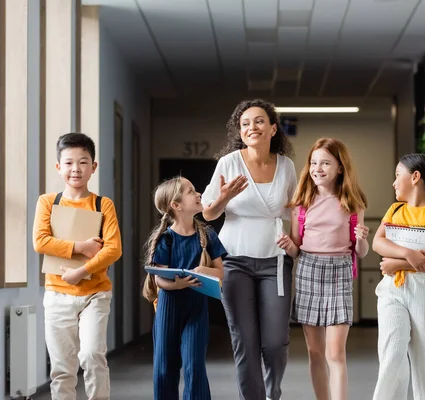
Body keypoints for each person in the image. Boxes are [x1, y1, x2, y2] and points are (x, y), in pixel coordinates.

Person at [201, 99, 297, 400]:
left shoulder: (287, 166)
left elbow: (296, 211)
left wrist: (293, 243)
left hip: (276, 262)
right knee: (245, 341)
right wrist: (224, 197)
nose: (251, 127)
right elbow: (208, 213)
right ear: (239, 132)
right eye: (245, 124)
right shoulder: (228, 163)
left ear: (272, 128)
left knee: (276, 341)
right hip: (235, 261)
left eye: (258, 121)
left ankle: (272, 392)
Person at [276, 138, 369, 400]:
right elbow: (296, 249)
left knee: (335, 353)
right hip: (308, 271)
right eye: (314, 162)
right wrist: (287, 245)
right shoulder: (301, 203)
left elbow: (360, 252)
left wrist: (362, 239)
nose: (318, 168)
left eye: (326, 163)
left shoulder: (353, 203)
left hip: (339, 273)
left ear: (340, 168)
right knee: (314, 352)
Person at [33, 132, 122, 400]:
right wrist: (80, 248)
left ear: (93, 167)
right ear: (59, 167)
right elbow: (40, 241)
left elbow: (113, 249)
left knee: (93, 355)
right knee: (61, 368)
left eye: (83, 162)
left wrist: (80, 272)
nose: (76, 169)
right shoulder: (48, 202)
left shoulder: (102, 204)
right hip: (57, 294)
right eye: (69, 162)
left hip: (95, 293)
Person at [371, 154, 425, 400]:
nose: (394, 182)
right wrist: (408, 254)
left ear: (415, 177)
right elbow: (377, 242)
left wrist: (396, 263)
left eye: (398, 175)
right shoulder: (395, 210)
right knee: (392, 353)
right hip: (392, 291)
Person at [141, 176, 226, 400]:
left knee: (194, 366)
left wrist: (203, 270)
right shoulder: (165, 240)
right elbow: (159, 279)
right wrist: (177, 284)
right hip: (169, 307)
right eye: (191, 191)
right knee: (164, 368)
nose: (198, 194)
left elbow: (221, 273)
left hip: (197, 307)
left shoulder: (207, 236)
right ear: (176, 205)